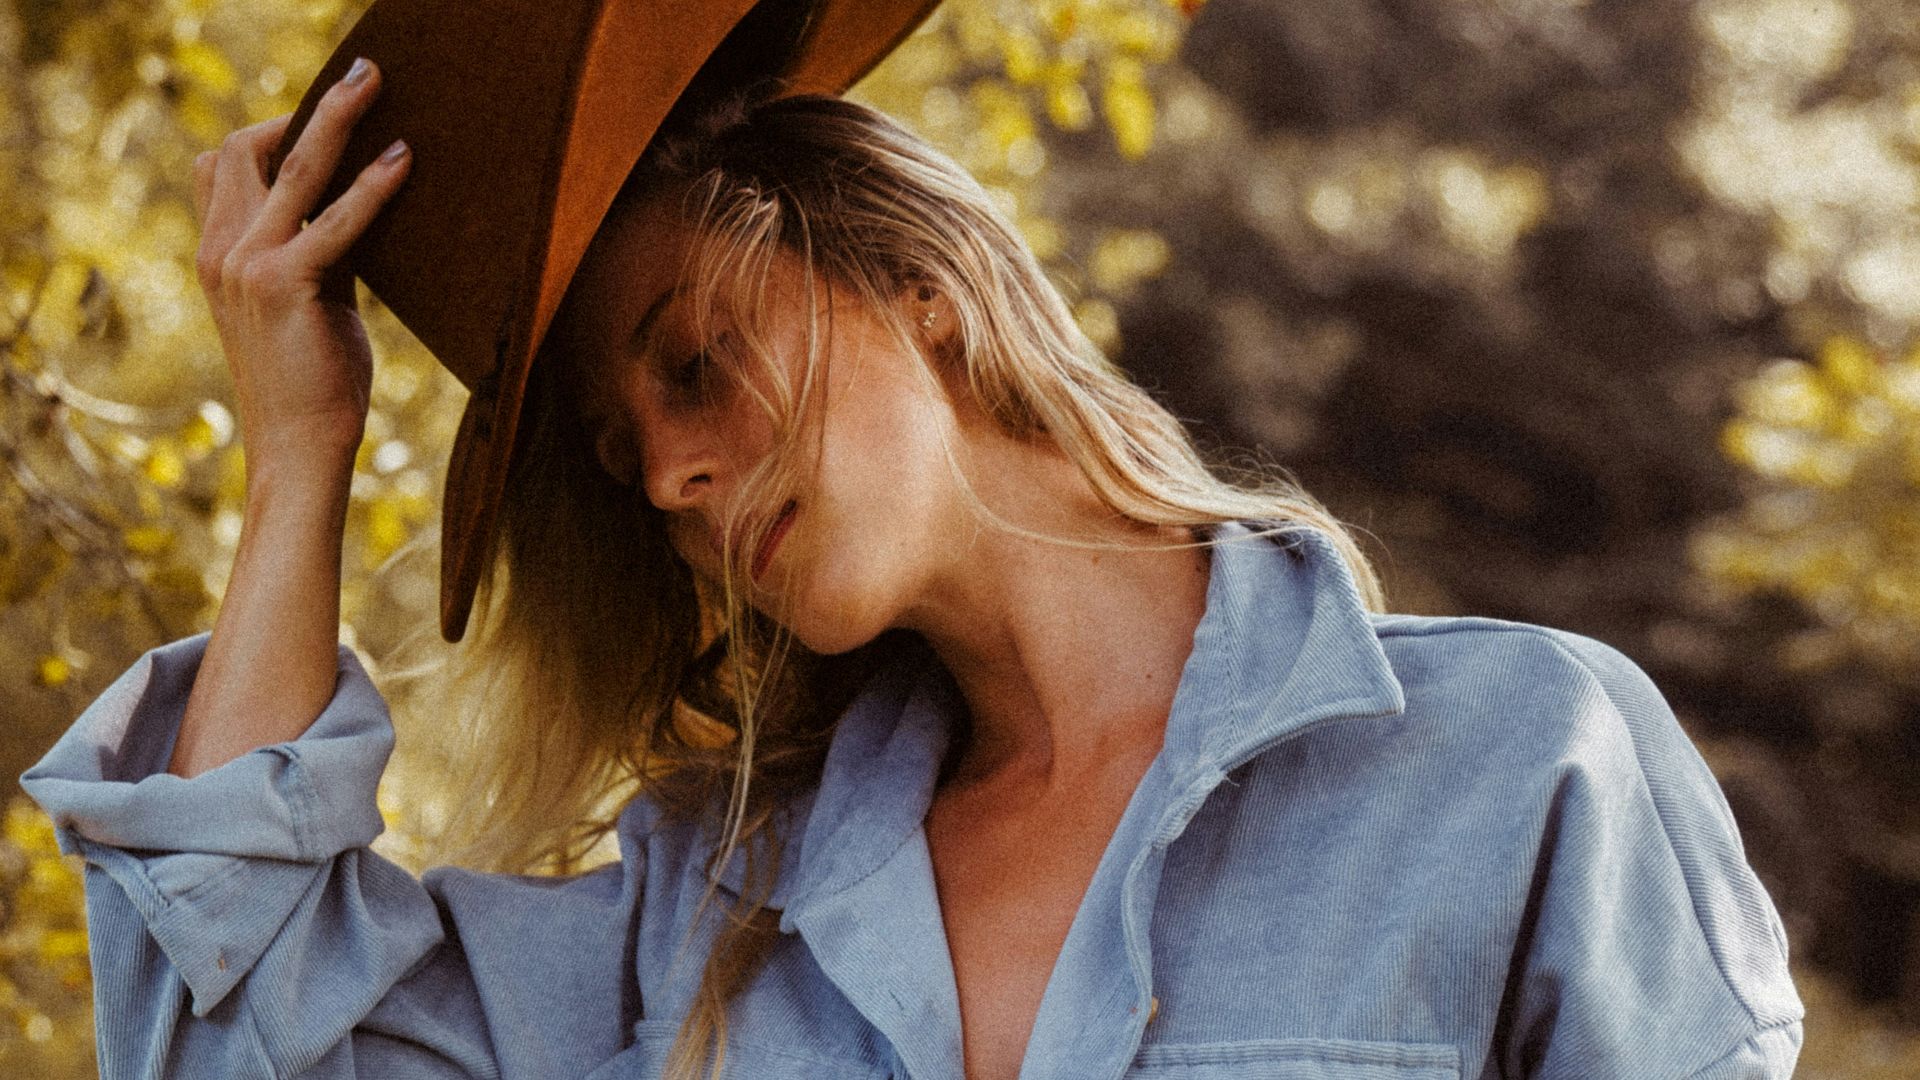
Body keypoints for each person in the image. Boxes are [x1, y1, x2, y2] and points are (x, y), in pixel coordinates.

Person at [22, 39, 1804, 1080]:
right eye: (619, 448)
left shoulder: (1519, 762)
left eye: (693, 359)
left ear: (918, 292)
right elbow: (239, 1023)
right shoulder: (702, 909)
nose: (669, 472)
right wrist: (295, 447)